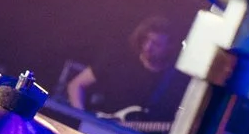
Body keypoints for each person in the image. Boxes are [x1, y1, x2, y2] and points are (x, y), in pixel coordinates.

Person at [59, 14, 189, 126]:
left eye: (156, 44)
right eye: (146, 40)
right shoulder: (118, 59)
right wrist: (83, 118)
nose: (148, 47)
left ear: (170, 47)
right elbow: (76, 85)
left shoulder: (174, 80)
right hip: (102, 126)